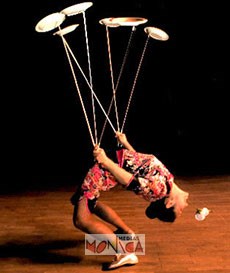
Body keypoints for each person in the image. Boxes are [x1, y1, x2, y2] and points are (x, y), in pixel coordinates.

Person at [71, 131, 189, 270]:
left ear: (169, 203)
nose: (186, 205)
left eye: (181, 209)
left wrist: (106, 161)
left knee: (81, 220)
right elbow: (139, 165)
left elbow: (130, 181)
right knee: (85, 202)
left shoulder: (159, 189)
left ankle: (123, 252)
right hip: (111, 164)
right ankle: (127, 233)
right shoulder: (168, 181)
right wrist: (125, 142)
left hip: (105, 169)